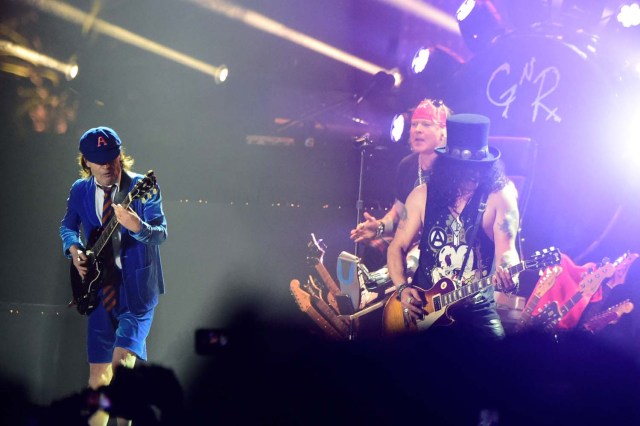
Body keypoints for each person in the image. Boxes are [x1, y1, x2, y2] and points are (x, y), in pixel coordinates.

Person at [59, 126, 167, 426]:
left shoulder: (144, 188)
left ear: (120, 156)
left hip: (137, 291)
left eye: (112, 157)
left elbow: (161, 234)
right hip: (98, 291)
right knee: (98, 375)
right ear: (86, 162)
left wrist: (137, 226)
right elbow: (67, 226)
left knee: (122, 370)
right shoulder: (79, 190)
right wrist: (74, 248)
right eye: (99, 159)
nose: (107, 165)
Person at [387, 114, 520, 339]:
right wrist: (402, 289)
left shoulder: (499, 197)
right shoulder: (422, 195)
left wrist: (510, 275)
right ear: (449, 165)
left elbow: (506, 250)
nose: (474, 174)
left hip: (476, 309)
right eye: (465, 167)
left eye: (480, 167)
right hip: (424, 309)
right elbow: (396, 247)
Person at [349, 99, 452, 245]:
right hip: (413, 244)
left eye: (426, 124)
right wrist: (379, 227)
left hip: (445, 246)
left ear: (443, 132)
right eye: (414, 124)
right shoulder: (407, 166)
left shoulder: (454, 167)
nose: (418, 130)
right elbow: (399, 213)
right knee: (376, 248)